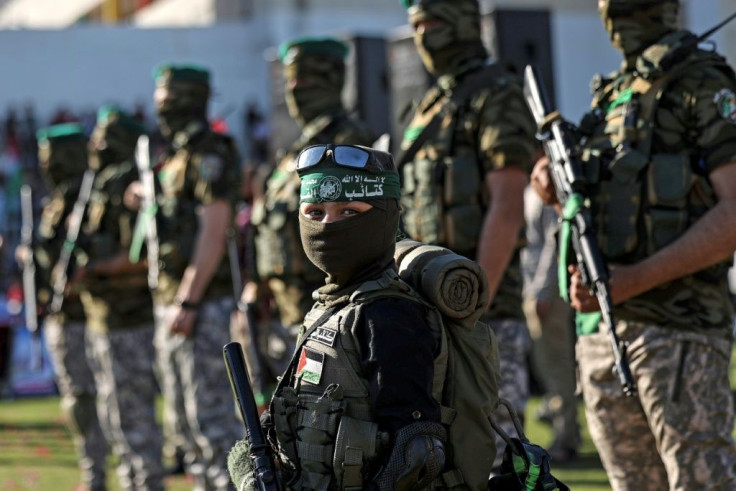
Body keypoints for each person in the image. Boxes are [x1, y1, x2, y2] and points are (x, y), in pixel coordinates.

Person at [531, 0, 736, 488]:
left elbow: (733, 211)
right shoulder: (612, 95)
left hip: (678, 332)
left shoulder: (703, 82)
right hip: (604, 335)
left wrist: (633, 281)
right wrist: (553, 194)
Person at [229, 144, 452, 490]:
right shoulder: (328, 306)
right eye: (314, 213)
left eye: (348, 211)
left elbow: (418, 449)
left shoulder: (388, 315)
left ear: (384, 214)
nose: (328, 226)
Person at [397, 0, 537, 464]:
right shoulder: (426, 106)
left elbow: (507, 205)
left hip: (484, 318)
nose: (423, 35)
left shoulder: (496, 94)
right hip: (427, 317)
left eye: (433, 23)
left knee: (495, 461)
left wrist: (469, 308)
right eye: (416, 25)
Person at [134, 63, 243, 490]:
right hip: (171, 301)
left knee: (211, 423)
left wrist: (189, 300)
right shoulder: (173, 159)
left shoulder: (210, 153)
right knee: (184, 425)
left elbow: (213, 231)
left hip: (200, 305)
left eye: (171, 99)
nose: (164, 107)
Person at [245, 37, 374, 395]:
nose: (295, 92)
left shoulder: (349, 143)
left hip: (328, 312)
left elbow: (357, 229)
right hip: (286, 312)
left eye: (304, 83)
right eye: (290, 83)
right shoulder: (297, 151)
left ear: (332, 81)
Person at [72, 106, 164, 490]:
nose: (95, 144)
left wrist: (96, 270)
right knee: (115, 418)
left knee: (134, 418)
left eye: (103, 136)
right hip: (102, 319)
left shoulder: (132, 182)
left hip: (130, 321)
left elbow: (141, 254)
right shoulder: (100, 185)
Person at [22, 123, 108, 490]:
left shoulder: (83, 198)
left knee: (90, 399)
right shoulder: (55, 201)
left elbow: (86, 255)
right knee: (78, 399)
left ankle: (97, 474)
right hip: (60, 315)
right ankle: (94, 471)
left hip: (81, 315)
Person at [520, 186, 579, 463]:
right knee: (545, 366)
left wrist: (542, 292)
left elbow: (553, 244)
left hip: (547, 293)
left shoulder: (548, 186)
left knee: (556, 366)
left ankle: (565, 438)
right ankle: (558, 423)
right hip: (533, 288)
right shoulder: (531, 186)